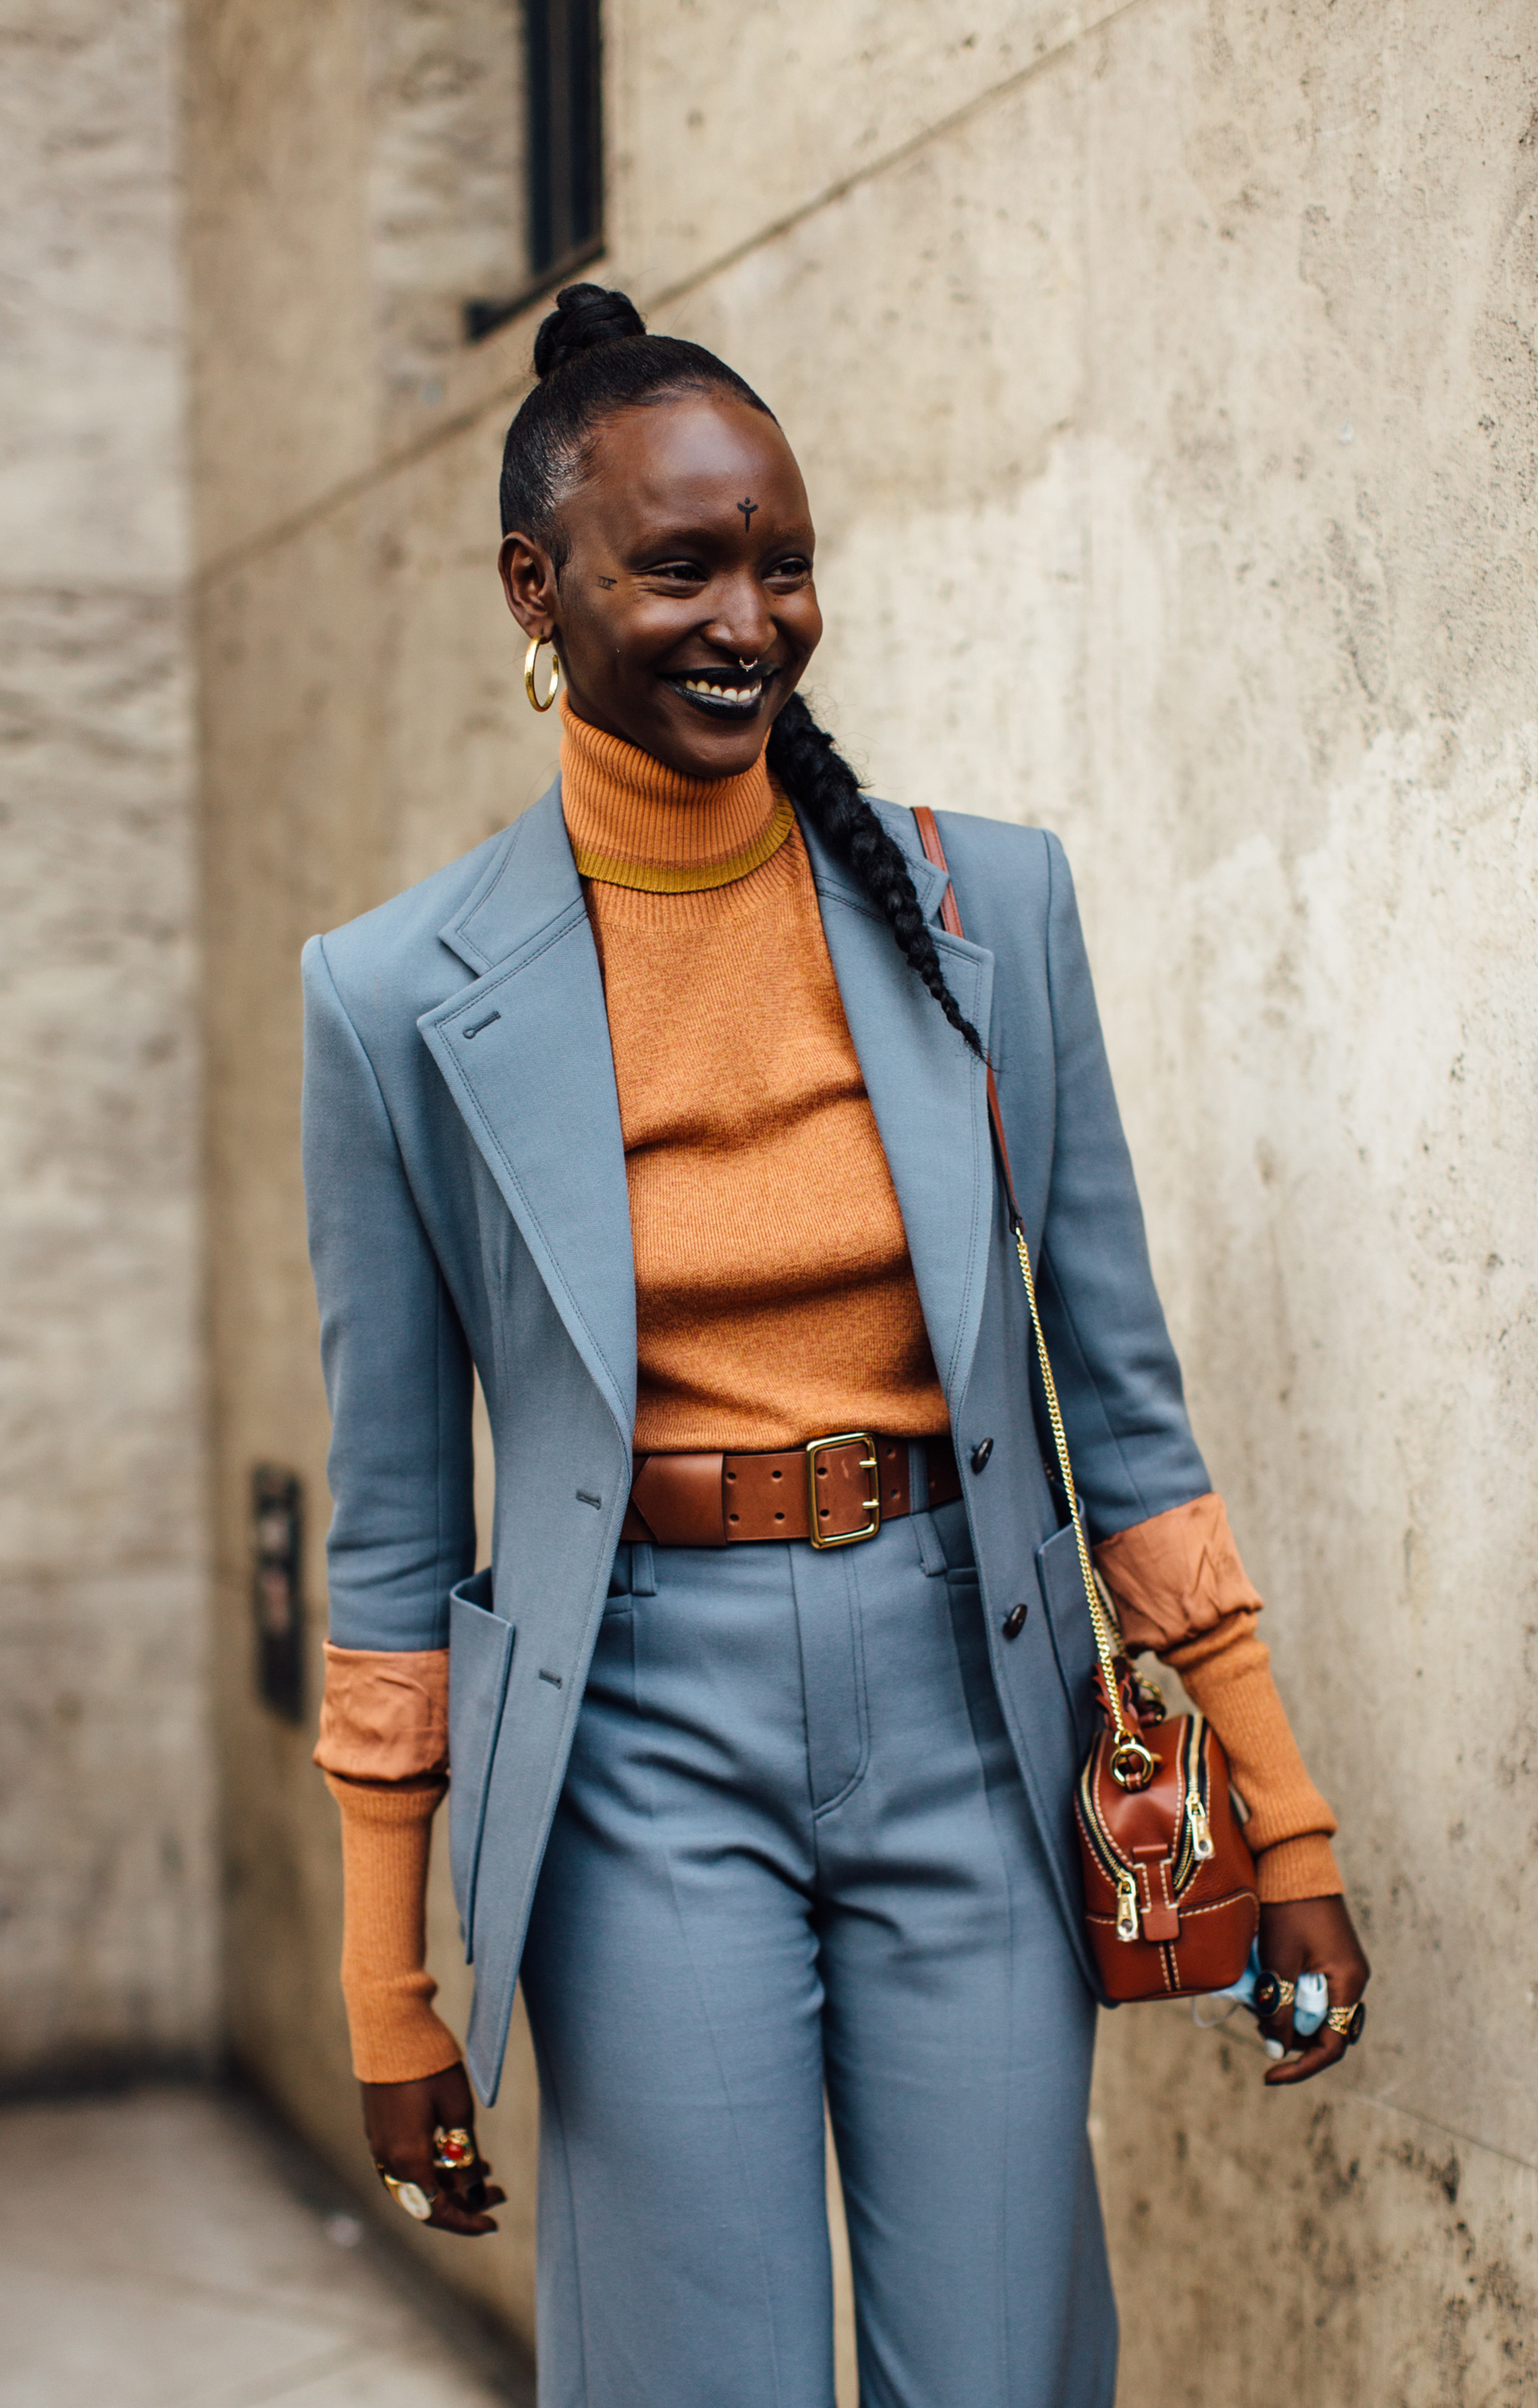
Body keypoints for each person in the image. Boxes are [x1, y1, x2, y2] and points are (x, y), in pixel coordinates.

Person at [302, 284, 1369, 2408]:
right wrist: (384, 1982)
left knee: (994, 2361)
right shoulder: (395, 996)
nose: (748, 618)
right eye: (678, 564)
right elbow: (398, 1516)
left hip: (971, 1704)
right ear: (538, 588)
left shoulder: (995, 914)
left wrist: (1293, 1825)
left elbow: (1122, 1397)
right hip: (632, 1738)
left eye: (782, 562)